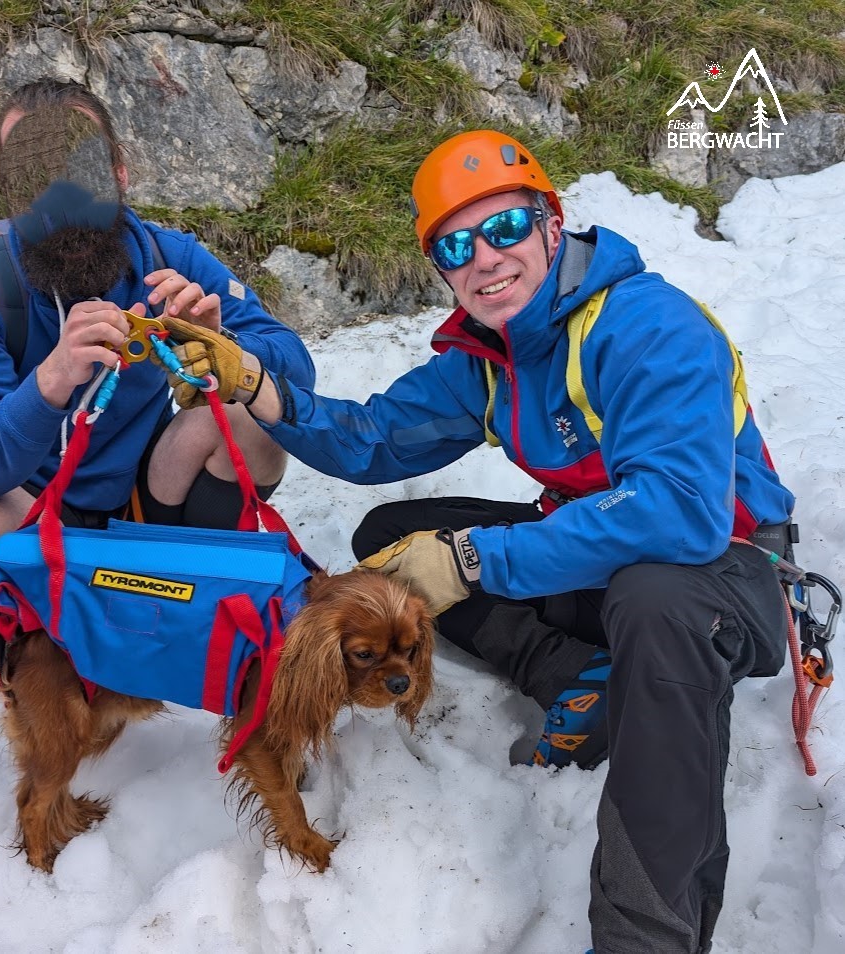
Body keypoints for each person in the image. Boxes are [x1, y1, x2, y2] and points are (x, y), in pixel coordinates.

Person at [153, 130, 795, 954]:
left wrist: (470, 560)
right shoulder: (491, 355)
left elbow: (679, 514)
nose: (485, 259)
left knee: (652, 596)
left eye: (505, 229)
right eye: (456, 246)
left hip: (722, 576)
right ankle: (579, 678)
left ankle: (646, 937)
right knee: (394, 536)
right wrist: (257, 388)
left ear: (551, 224)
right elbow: (375, 439)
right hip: (608, 563)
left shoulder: (646, 325)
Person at [0, 78, 315, 695]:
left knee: (253, 420)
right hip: (34, 509)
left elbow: (295, 367)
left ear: (119, 173)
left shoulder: (164, 254)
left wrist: (225, 347)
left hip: (147, 496)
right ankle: (31, 620)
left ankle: (186, 599)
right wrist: (49, 382)